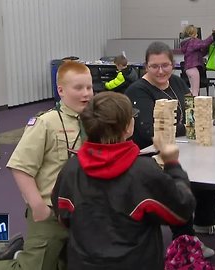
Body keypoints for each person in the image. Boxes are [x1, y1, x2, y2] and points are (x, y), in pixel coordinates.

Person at [0, 61, 94, 270]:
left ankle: (19, 252)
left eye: (89, 87)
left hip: (81, 213)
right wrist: (37, 205)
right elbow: (20, 167)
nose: (86, 94)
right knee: (34, 268)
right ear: (61, 90)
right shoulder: (46, 123)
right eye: (78, 88)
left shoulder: (95, 122)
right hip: (50, 212)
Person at [51, 91, 195, 269]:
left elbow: (62, 217)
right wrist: (172, 163)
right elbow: (181, 211)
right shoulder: (144, 171)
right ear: (128, 127)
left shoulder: (70, 169)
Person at [125, 41, 215, 258]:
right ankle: (184, 237)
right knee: (180, 184)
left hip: (181, 145)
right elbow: (150, 131)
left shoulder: (176, 81)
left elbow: (192, 109)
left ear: (173, 64)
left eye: (165, 65)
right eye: (154, 66)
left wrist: (196, 125)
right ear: (146, 66)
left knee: (208, 164)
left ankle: (205, 221)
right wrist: (190, 127)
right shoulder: (138, 90)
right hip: (151, 155)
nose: (160, 71)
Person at [180, 25, 214, 97]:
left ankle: (189, 106)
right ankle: (195, 106)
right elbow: (204, 43)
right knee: (195, 91)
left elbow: (200, 53)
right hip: (193, 68)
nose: (197, 35)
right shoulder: (192, 41)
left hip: (188, 69)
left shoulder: (186, 43)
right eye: (196, 33)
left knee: (192, 90)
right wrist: (213, 36)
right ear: (192, 34)